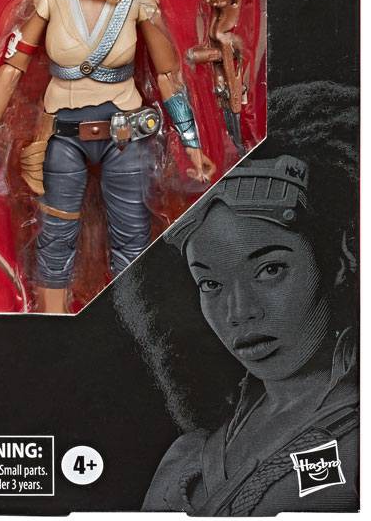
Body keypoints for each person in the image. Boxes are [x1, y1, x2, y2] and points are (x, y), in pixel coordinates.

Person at [0, 0, 214, 314]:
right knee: (54, 237)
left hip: (126, 135)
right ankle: (53, 324)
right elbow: (11, 68)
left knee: (133, 239)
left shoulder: (138, 2)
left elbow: (168, 76)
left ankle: (129, 329)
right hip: (63, 134)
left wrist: (192, 143)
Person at [140, 82, 358, 514]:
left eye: (270, 270)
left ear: (338, 261)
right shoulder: (185, 460)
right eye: (211, 284)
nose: (240, 312)